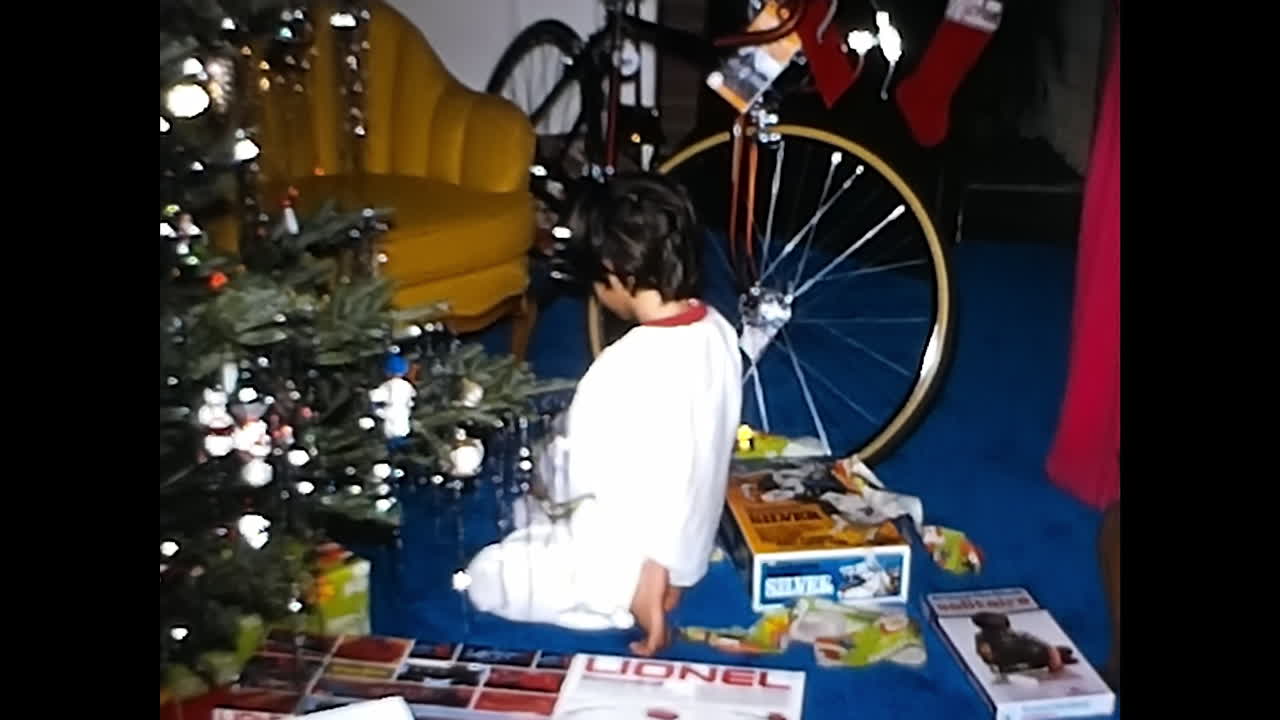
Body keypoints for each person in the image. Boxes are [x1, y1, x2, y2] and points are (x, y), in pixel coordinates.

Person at [462, 173, 743, 656]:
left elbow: (588, 497)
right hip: (688, 547)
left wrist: (640, 568)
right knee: (548, 469)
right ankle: (647, 584)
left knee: (487, 577)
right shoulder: (719, 331)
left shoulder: (620, 367)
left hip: (626, 560)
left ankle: (631, 597)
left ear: (617, 272)